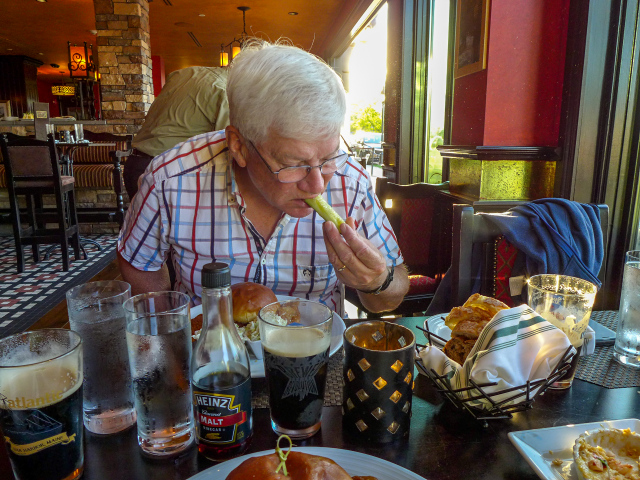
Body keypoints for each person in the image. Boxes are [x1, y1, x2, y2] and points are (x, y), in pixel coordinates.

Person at [117, 39, 409, 314]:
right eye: (293, 163)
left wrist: (377, 282)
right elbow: (139, 262)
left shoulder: (352, 184)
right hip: (209, 351)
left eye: (329, 158)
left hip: (316, 352)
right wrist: (171, 336)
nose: (318, 185)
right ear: (239, 146)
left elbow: (393, 292)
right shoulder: (170, 180)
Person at [124, 66, 229, 198]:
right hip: (166, 176)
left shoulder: (184, 72)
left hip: (135, 165)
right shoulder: (226, 91)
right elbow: (228, 150)